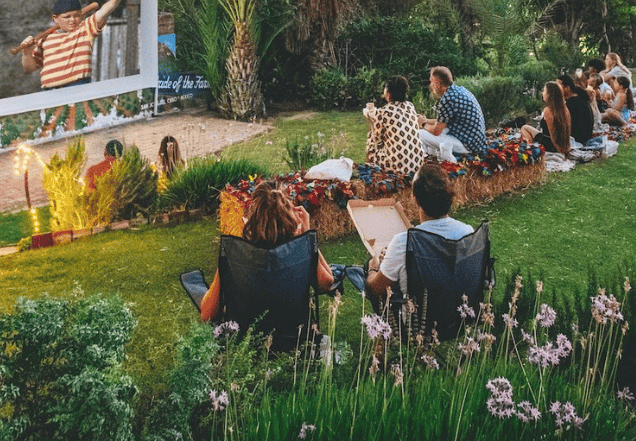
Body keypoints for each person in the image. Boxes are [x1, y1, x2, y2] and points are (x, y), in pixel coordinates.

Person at [200, 181, 335, 322]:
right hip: (294, 338)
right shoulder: (300, 252)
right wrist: (307, 239)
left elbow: (207, 314)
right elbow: (326, 284)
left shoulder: (235, 254)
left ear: (253, 215)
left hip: (247, 340)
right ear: (290, 216)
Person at [365, 162, 473, 304]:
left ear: (415, 199)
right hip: (458, 317)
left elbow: (375, 290)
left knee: (366, 272)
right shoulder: (468, 233)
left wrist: (373, 267)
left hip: (417, 322)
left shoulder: (403, 242)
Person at [19, 0, 132, 90]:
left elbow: (104, 11)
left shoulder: (85, 29)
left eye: (76, 16)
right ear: (55, 18)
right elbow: (29, 68)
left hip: (77, 86)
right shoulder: (45, 39)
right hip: (49, 91)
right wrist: (27, 52)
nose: (72, 20)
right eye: (67, 17)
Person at [418, 66, 487, 162]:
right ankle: (436, 159)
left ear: (437, 84)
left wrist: (422, 124)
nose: (430, 85)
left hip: (467, 145)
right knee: (432, 131)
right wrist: (426, 120)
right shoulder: (459, 90)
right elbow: (444, 121)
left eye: (431, 82)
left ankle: (422, 162)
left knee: (419, 134)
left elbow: (436, 131)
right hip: (476, 142)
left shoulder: (447, 99)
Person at [365, 75, 424, 176]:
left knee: (370, 144)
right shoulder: (410, 106)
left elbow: (377, 138)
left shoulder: (383, 111)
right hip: (417, 161)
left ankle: (370, 176)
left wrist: (372, 123)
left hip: (397, 165)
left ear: (388, 92)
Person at [520, 82, 571, 156]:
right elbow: (568, 131)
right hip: (562, 143)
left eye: (544, 91)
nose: (542, 93)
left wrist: (560, 151)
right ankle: (531, 148)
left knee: (524, 129)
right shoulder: (564, 109)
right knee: (525, 127)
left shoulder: (548, 111)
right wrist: (567, 147)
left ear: (549, 94)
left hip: (551, 144)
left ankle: (530, 151)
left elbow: (552, 134)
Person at [557, 73, 595, 145]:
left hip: (578, 139)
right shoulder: (579, 97)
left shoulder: (572, 102)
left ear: (567, 88)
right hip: (586, 136)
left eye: (559, 86)